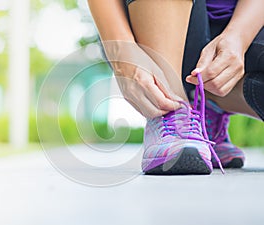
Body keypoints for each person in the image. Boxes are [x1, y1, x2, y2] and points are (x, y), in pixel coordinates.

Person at [87, 0, 264, 175]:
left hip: (246, 23)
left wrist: (238, 37)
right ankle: (172, 112)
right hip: (154, 19)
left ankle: (206, 103)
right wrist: (121, 51)